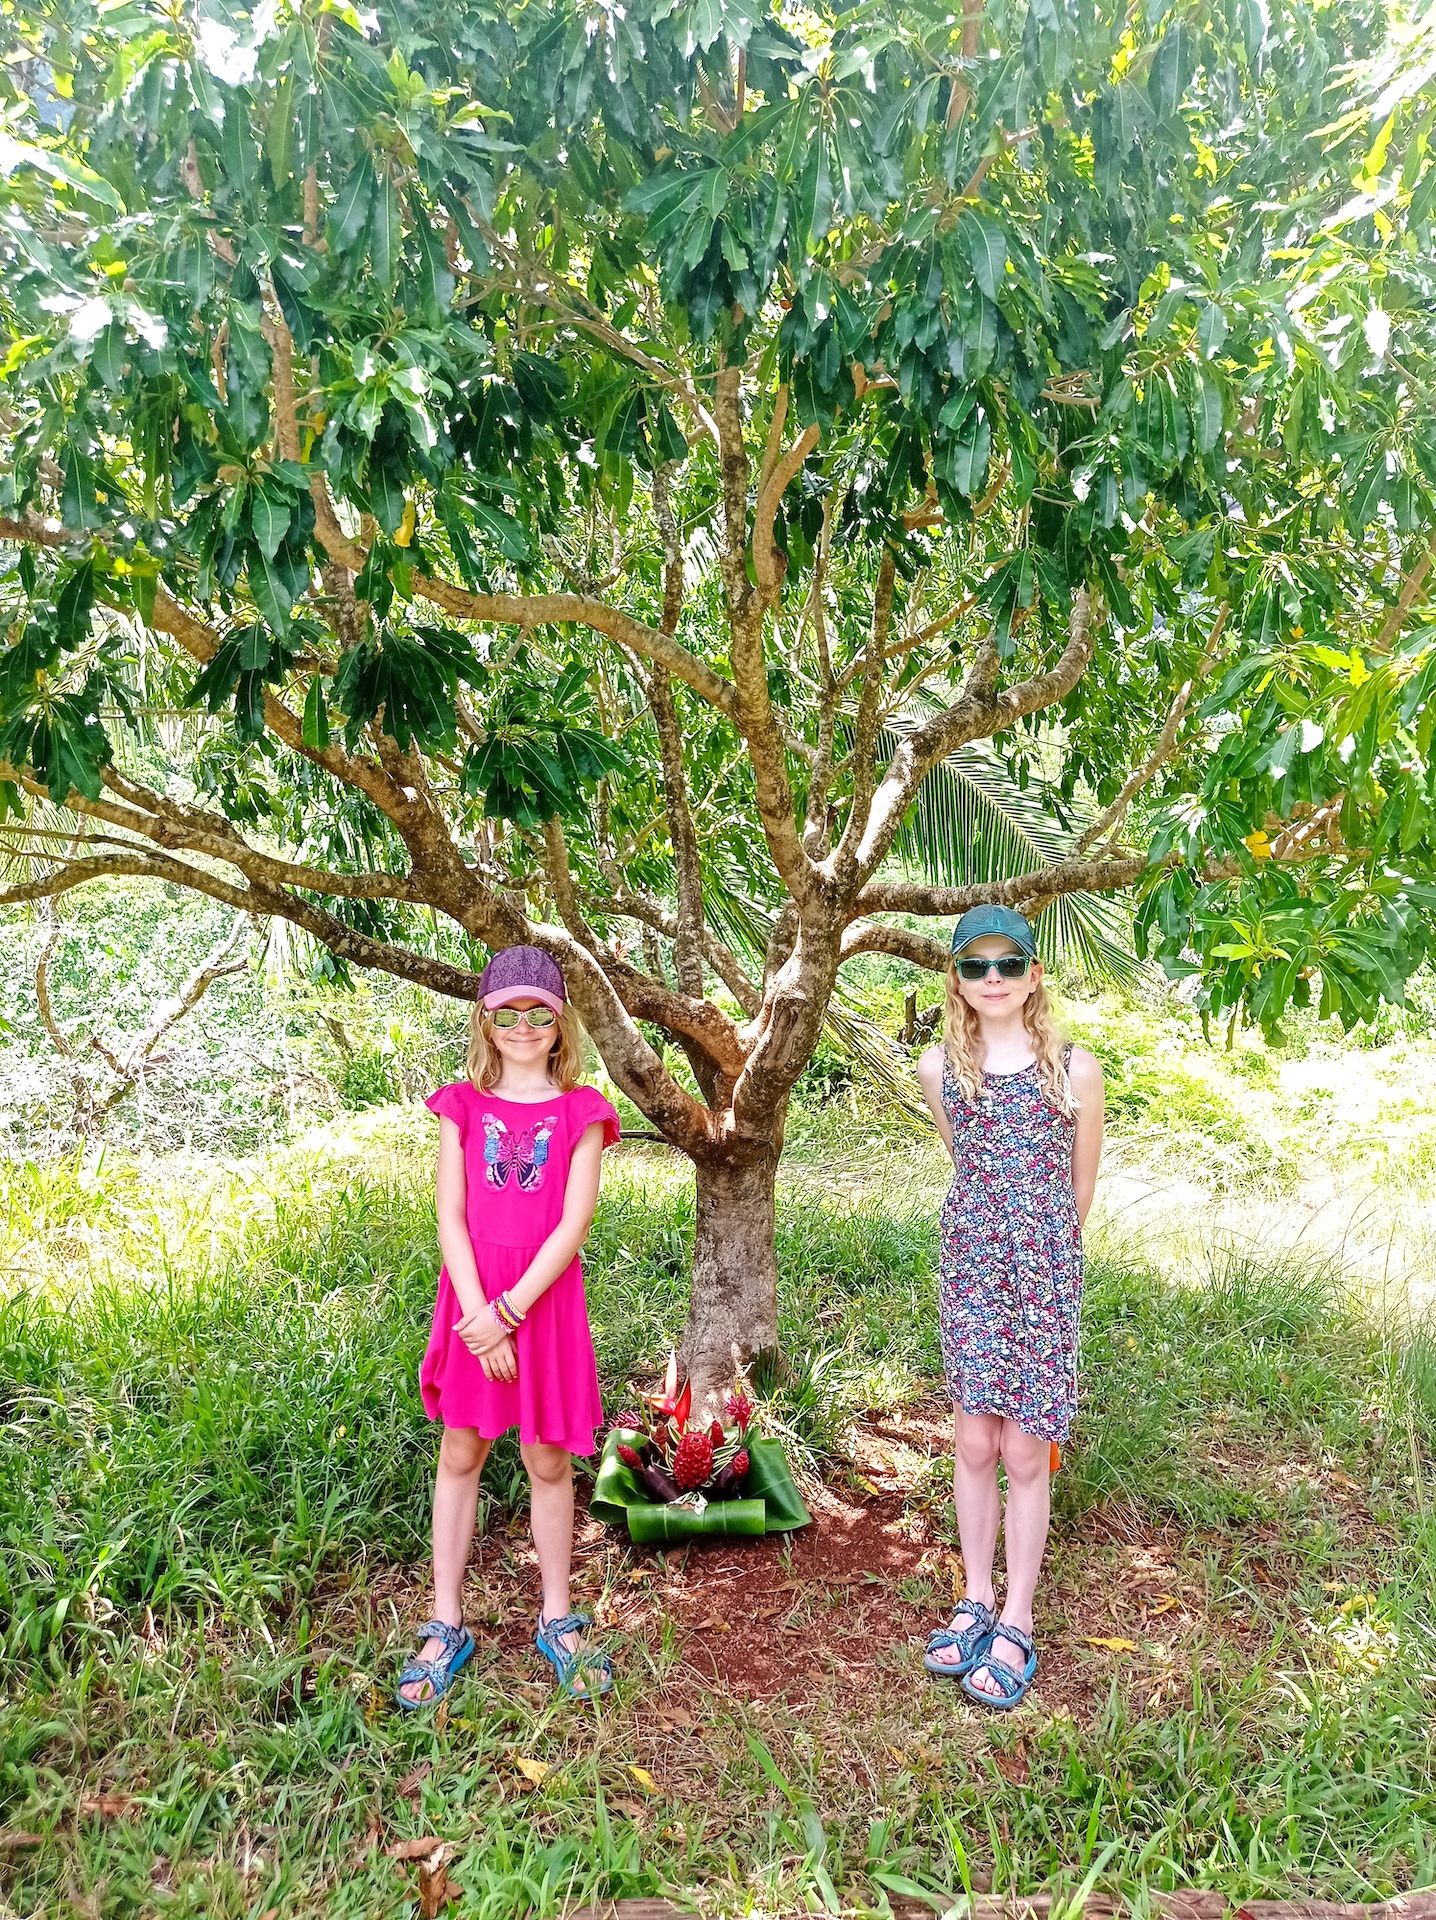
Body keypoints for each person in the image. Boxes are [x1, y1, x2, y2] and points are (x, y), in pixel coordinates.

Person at [396, 945, 621, 1709]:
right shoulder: (462, 1106)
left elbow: (573, 1224)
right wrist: (478, 1317)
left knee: (547, 1458)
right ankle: (446, 1620)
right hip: (472, 1307)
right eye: (507, 1014)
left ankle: (557, 1617)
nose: (523, 1027)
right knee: (461, 1450)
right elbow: (450, 1219)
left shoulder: (581, 1110)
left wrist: (509, 1313)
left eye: (539, 1014)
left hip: (542, 1304)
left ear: (560, 1024)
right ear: (485, 1023)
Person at [915, 906, 1104, 1710]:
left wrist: (1042, 1258)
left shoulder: (1074, 1068)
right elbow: (966, 1162)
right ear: (956, 979)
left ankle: (1017, 1618)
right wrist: (995, 1239)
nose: (992, 978)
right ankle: (975, 1597)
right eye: (975, 965)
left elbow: (1079, 1188)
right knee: (973, 1439)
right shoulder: (939, 1068)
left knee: (1026, 1449)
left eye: (1008, 963)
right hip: (973, 1266)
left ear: (1033, 975)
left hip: (1043, 1274)